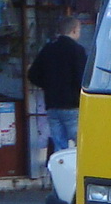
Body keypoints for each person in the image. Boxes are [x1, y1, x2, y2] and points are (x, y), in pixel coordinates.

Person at [28, 16, 88, 152]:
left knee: (59, 145)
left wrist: (49, 85)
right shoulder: (77, 50)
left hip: (52, 104)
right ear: (74, 30)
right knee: (81, 145)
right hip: (72, 105)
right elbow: (82, 78)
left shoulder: (48, 49)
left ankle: (59, 172)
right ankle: (77, 172)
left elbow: (32, 75)